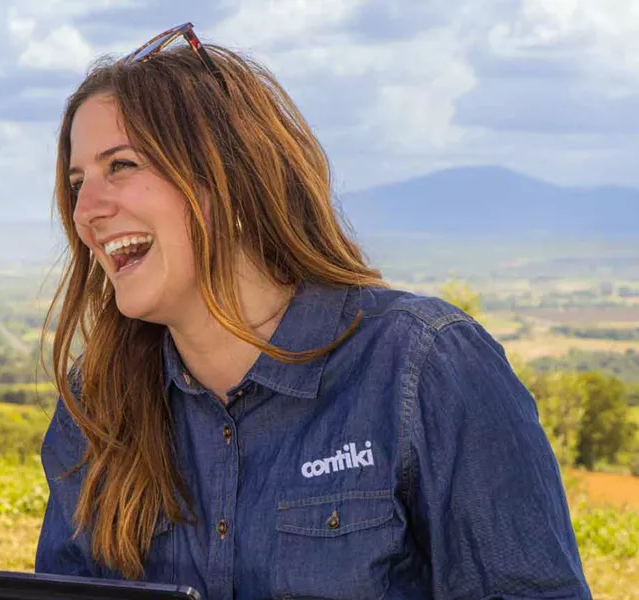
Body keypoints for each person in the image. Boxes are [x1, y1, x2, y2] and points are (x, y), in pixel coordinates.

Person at [34, 22, 592, 600]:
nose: (85, 212)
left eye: (120, 166)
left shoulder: (424, 367)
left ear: (229, 176)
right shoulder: (96, 410)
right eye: (78, 182)